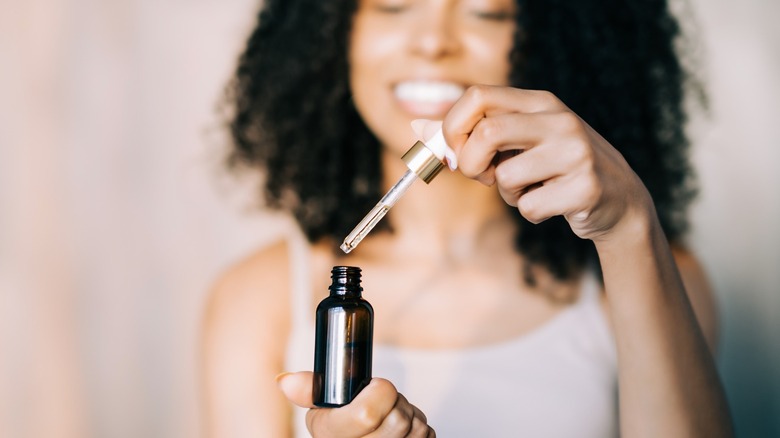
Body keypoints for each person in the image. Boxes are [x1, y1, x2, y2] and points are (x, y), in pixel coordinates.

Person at [201, 0, 733, 436]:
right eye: (392, 5)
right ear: (334, 30)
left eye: (487, 11)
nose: (434, 40)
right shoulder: (259, 296)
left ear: (555, 40)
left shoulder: (651, 271)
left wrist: (628, 226)